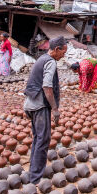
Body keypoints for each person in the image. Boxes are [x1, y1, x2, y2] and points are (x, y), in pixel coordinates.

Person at [23, 36, 67, 184]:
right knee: (43, 139)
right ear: (56, 49)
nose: (64, 55)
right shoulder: (50, 62)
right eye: (63, 52)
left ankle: (33, 170)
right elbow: (47, 86)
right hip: (39, 105)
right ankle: (35, 178)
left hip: (31, 103)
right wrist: (55, 109)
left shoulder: (41, 59)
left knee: (38, 138)